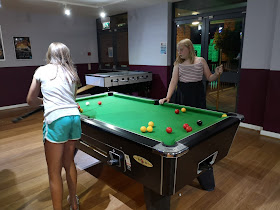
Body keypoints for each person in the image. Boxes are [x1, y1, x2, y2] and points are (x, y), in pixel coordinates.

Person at [27, 42, 81, 210]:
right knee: (69, 161)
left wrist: (42, 101)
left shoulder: (41, 71)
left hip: (57, 120)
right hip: (74, 118)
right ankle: (73, 202)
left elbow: (30, 100)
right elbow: (71, 98)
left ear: (49, 55)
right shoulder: (71, 72)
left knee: (54, 171)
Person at [159, 38, 223, 108]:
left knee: (197, 116)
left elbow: (209, 77)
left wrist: (216, 74)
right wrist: (168, 97)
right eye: (178, 50)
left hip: (197, 94)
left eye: (181, 49)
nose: (179, 52)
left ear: (189, 48)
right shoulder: (178, 63)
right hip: (182, 94)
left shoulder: (201, 61)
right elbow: (173, 81)